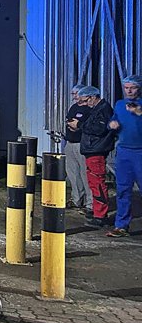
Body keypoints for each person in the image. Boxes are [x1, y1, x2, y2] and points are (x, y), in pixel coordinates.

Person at [107, 75, 142, 237]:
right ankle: (121, 225)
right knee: (122, 189)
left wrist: (138, 112)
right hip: (124, 152)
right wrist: (112, 124)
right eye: (126, 87)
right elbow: (114, 119)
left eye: (132, 87)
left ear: (138, 88)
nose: (129, 91)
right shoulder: (120, 104)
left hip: (140, 151)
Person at [77, 86, 113, 228]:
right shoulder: (98, 109)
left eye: (85, 101)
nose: (85, 104)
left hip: (96, 150)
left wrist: (79, 124)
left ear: (92, 97)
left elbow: (99, 129)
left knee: (97, 183)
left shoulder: (103, 110)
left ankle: (101, 215)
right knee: (94, 182)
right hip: (93, 149)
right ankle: (98, 212)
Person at [63, 84, 91, 214]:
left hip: (82, 144)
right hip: (70, 142)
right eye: (73, 94)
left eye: (76, 94)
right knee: (73, 173)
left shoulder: (89, 109)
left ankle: (90, 203)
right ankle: (76, 199)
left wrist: (78, 126)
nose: (74, 97)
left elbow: (88, 125)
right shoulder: (74, 107)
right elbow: (69, 119)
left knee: (85, 173)